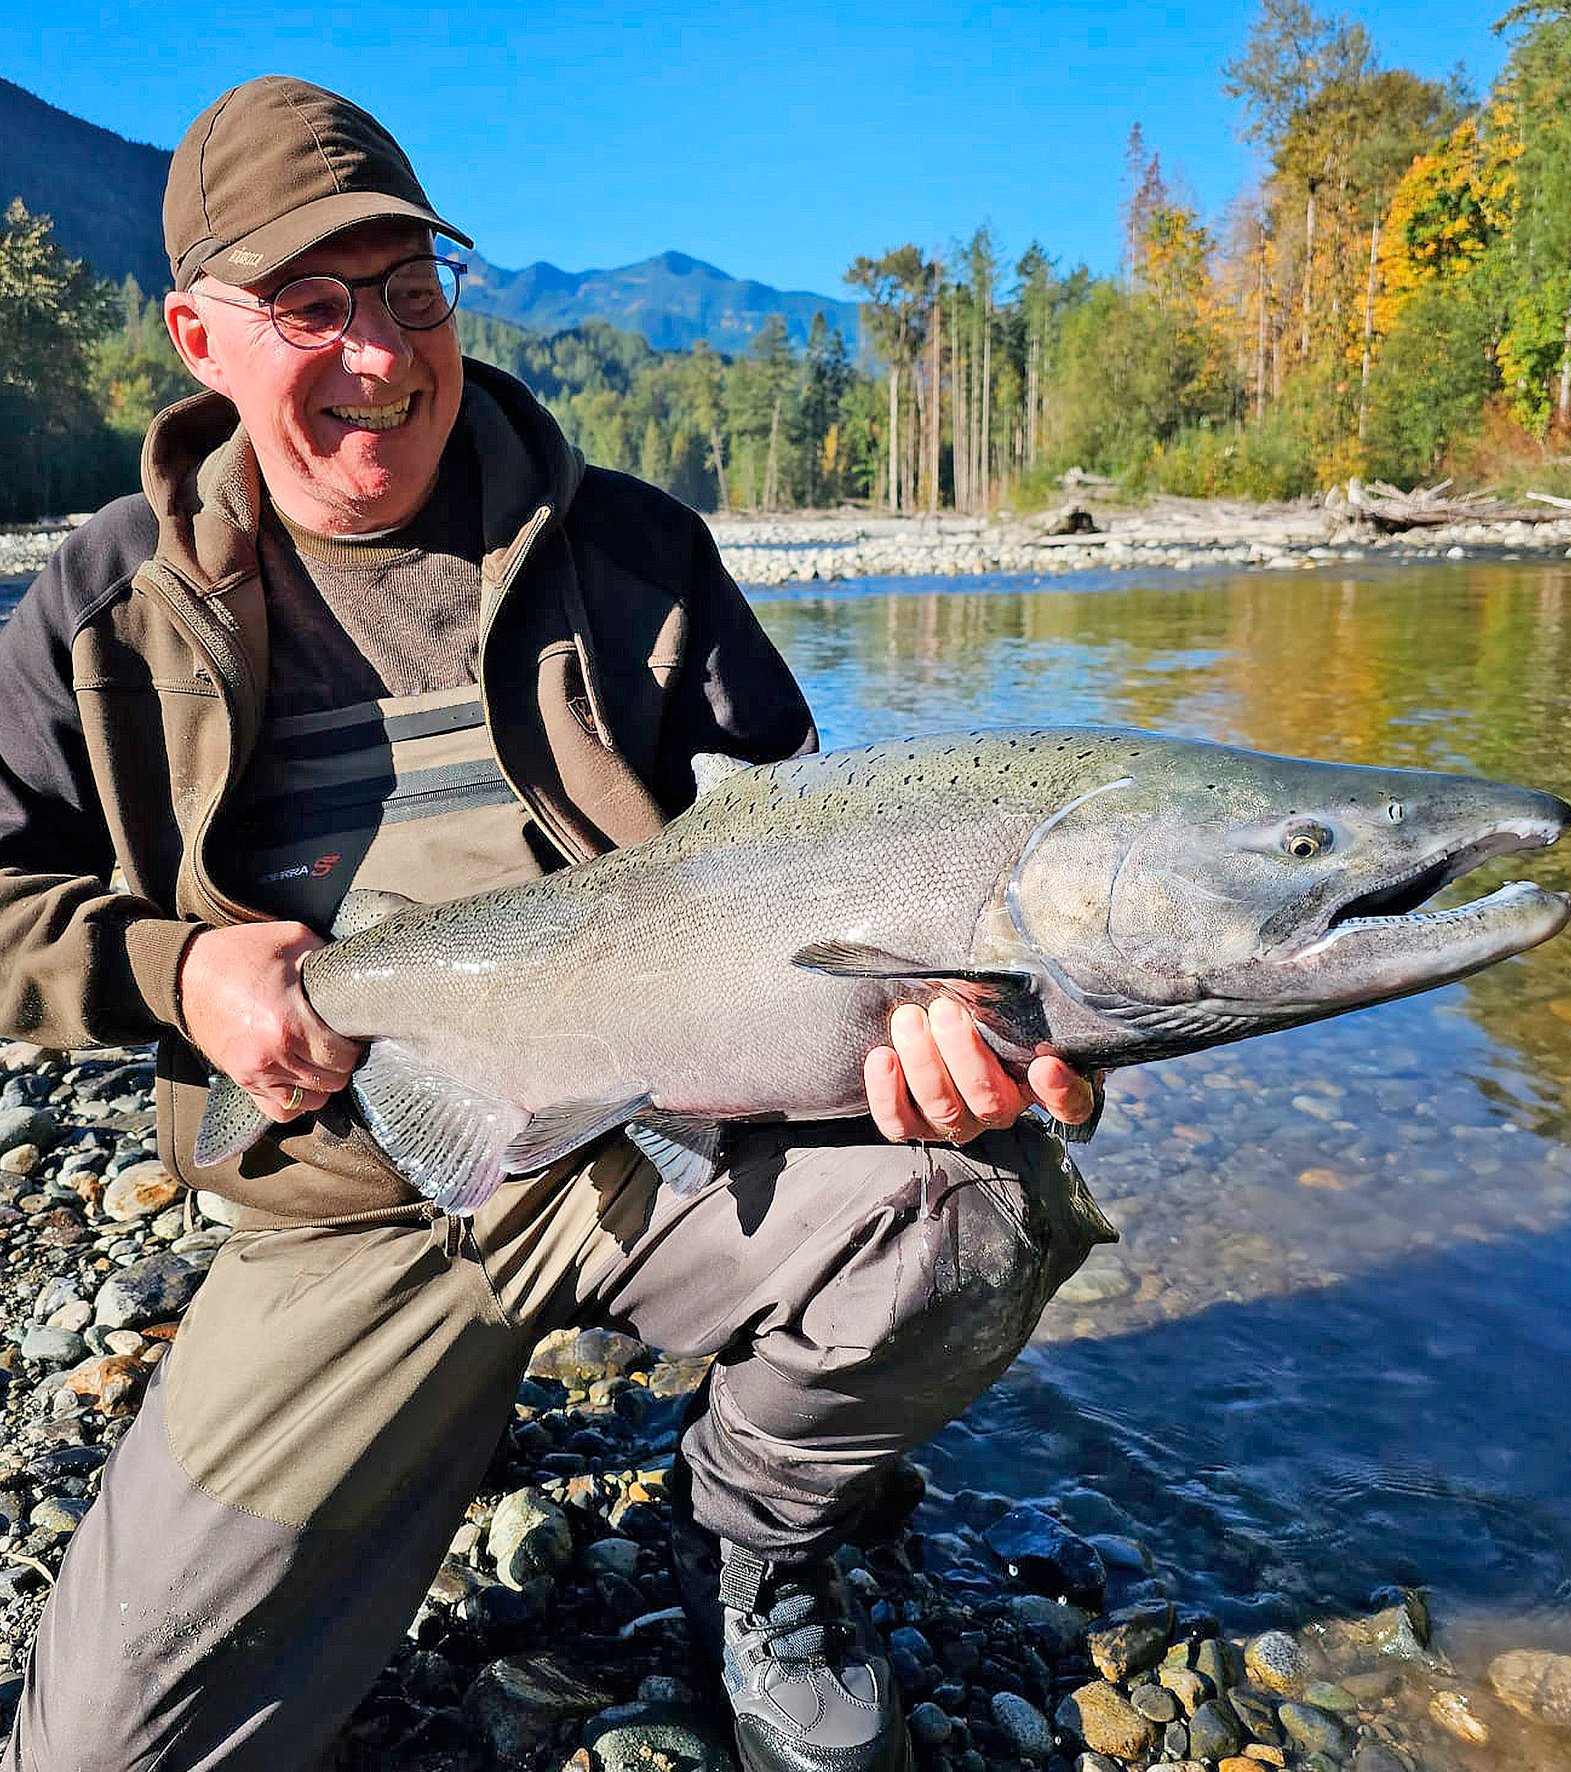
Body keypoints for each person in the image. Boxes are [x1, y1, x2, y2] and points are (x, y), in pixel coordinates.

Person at [0, 76, 1112, 1772]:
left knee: (979, 1203)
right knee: (99, 1755)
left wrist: (944, 1018)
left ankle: (758, 1535)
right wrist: (176, 972)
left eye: (408, 289)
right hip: (349, 1207)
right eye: (310, 306)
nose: (377, 354)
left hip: (654, 1154)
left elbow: (818, 870)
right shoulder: (101, 604)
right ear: (197, 338)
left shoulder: (635, 557)